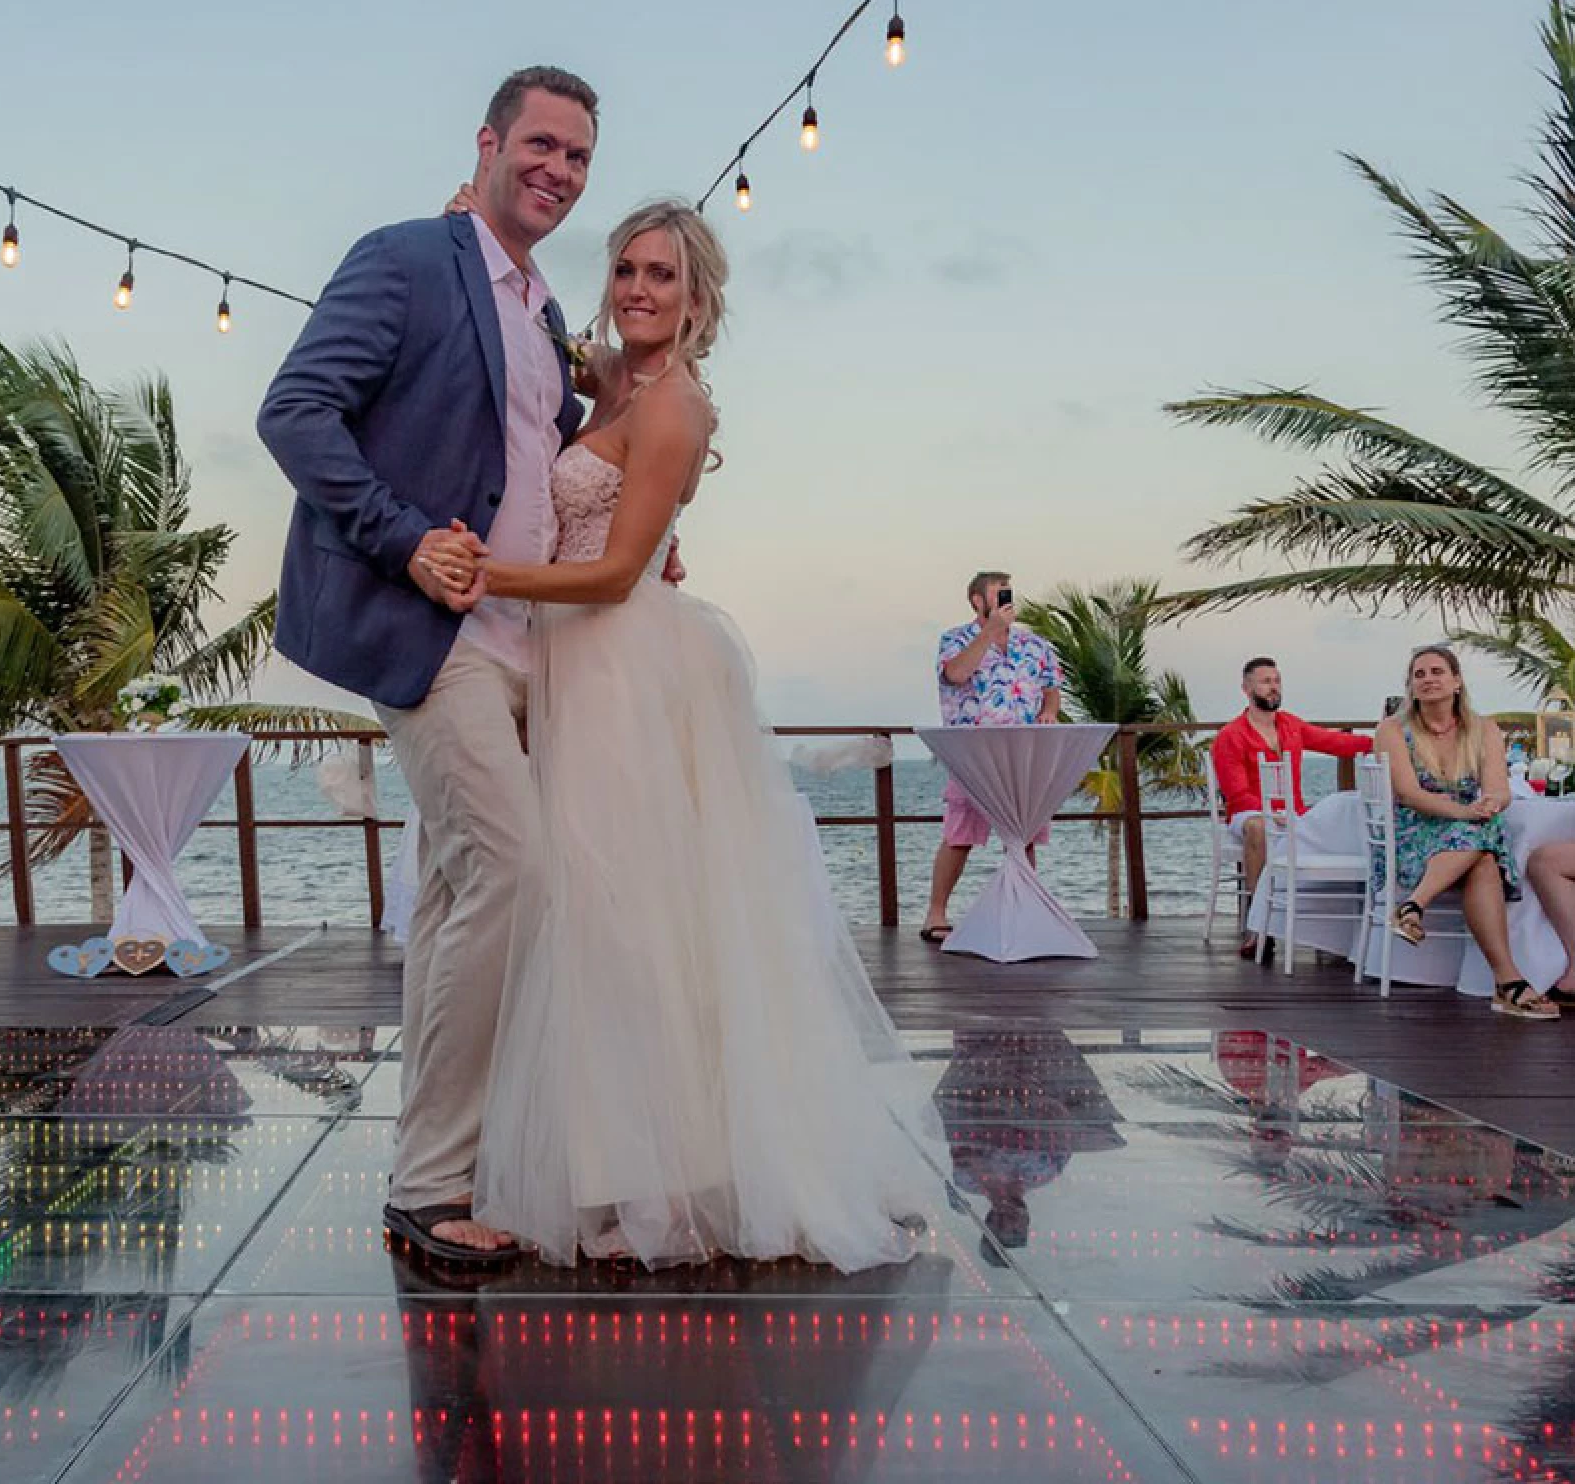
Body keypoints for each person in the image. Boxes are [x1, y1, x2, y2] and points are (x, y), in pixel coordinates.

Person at [453, 201, 941, 1268]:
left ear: (697, 296)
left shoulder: (673, 406)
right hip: (572, 665)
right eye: (625, 269)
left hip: (620, 665)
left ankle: (661, 1180)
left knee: (629, 919)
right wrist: (473, 232)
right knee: (591, 915)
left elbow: (618, 569)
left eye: (661, 276)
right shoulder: (615, 377)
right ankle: (613, 1161)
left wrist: (483, 575)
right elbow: (533, 340)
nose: (636, 289)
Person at [257, 66, 600, 1266]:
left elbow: (538, 466)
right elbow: (295, 410)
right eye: (542, 144)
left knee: (462, 891)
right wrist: (406, 542)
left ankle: (435, 1161)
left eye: (578, 158)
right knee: (515, 870)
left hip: (531, 644)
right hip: (436, 636)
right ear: (490, 143)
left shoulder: (549, 317)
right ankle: (428, 1185)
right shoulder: (407, 255)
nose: (557, 170)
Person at [1373, 644, 1551, 1018]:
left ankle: (1413, 908)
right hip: (1416, 832)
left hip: (1468, 829)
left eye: (1437, 672)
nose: (1428, 680)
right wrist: (1465, 812)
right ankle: (1508, 983)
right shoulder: (1392, 730)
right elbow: (1408, 794)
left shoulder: (1483, 729)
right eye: (1419, 675)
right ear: (1410, 686)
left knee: (1484, 857)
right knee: (1481, 843)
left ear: (1456, 681)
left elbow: (1498, 788)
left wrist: (1491, 804)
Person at [920, 572, 1064, 944]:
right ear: (976, 600)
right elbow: (955, 674)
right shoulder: (955, 640)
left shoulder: (1034, 645)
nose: (1005, 601)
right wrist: (989, 633)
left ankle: (1025, 909)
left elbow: (1051, 686)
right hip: (973, 752)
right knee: (960, 833)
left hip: (1023, 751)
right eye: (998, 594)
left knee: (1023, 831)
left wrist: (1049, 711)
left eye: (1008, 593)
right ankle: (936, 913)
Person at [1210, 656, 1375, 957]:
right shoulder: (1231, 736)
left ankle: (1336, 931)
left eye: (1276, 681)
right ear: (1246, 688)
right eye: (1265, 682)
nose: (1273, 688)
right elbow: (1237, 794)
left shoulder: (1291, 726)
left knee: (1340, 820)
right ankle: (1257, 925)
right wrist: (1273, 815)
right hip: (1249, 813)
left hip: (1292, 812)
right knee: (1258, 827)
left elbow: (1334, 742)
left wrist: (1380, 743)